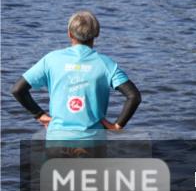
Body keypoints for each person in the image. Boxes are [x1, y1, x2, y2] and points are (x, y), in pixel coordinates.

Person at [10, 11, 142, 145]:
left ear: (69, 34)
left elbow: (17, 89)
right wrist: (117, 126)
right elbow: (134, 96)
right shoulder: (105, 63)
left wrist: (39, 114)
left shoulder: (51, 59)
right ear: (96, 34)